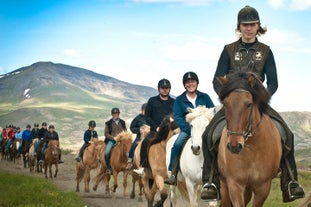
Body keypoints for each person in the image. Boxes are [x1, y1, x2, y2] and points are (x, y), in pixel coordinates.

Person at [200, 5, 305, 202]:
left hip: (257, 102)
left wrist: (260, 100)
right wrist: (227, 97)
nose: (249, 28)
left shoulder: (266, 51)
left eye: (253, 24)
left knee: (287, 134)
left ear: (258, 27)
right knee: (208, 135)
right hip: (233, 104)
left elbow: (273, 82)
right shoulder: (228, 50)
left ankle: (290, 182)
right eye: (245, 25)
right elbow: (217, 79)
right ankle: (211, 181)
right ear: (239, 27)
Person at [164, 72, 214, 185]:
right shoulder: (179, 100)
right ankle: (173, 172)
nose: (190, 84)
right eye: (187, 82)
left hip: (204, 130)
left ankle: (219, 171)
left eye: (193, 81)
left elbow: (212, 112)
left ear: (197, 83)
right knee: (177, 144)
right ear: (184, 85)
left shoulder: (205, 97)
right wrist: (188, 129)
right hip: (187, 129)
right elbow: (177, 116)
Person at [133, 79, 175, 176]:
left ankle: (176, 169)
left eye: (166, 88)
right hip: (155, 130)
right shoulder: (152, 101)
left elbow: (176, 116)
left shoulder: (174, 102)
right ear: (159, 89)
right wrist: (155, 127)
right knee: (145, 142)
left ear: (169, 89)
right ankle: (143, 167)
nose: (164, 90)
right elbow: (147, 116)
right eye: (162, 88)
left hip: (170, 131)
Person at [104, 107, 127, 175]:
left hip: (121, 141)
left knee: (128, 151)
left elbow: (125, 131)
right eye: (114, 113)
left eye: (117, 113)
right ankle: (108, 168)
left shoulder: (122, 122)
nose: (115, 115)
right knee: (106, 153)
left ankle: (128, 165)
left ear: (119, 114)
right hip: (112, 140)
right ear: (112, 114)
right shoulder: (108, 123)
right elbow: (106, 134)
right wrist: (113, 138)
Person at [125, 103, 147, 170]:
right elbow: (132, 128)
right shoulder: (137, 118)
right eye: (144, 110)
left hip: (150, 137)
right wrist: (139, 130)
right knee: (133, 145)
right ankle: (130, 161)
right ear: (142, 110)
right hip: (140, 137)